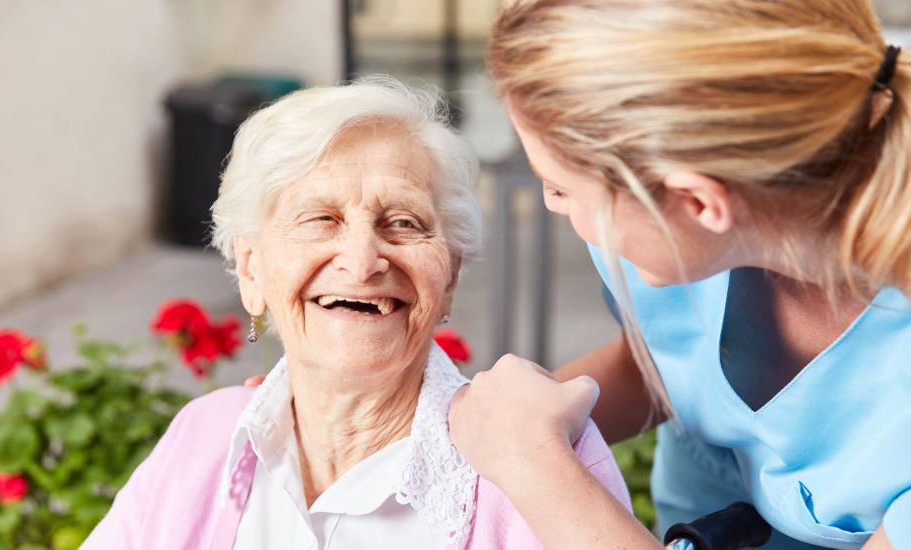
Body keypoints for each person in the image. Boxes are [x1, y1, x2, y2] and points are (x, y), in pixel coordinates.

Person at [81, 78, 630, 550]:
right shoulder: (205, 437)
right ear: (251, 272)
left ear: (450, 276)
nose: (364, 261)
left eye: (405, 223)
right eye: (320, 219)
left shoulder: (545, 462)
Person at [448, 1, 910, 549]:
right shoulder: (677, 249)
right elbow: (661, 362)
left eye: (561, 188)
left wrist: (532, 461)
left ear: (695, 202)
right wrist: (494, 429)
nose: (551, 204)